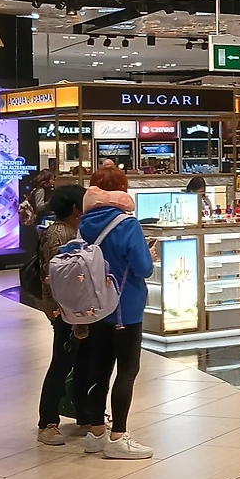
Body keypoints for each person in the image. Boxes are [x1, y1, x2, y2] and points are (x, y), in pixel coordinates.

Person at [75, 167, 154, 458]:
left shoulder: (85, 223)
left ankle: (96, 431)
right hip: (125, 308)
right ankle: (118, 435)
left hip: (95, 307)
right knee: (127, 370)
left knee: (100, 369)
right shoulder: (127, 224)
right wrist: (149, 255)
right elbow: (143, 268)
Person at [34, 185, 86, 446]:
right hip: (64, 310)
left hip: (74, 308)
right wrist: (59, 308)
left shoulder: (70, 231)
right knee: (62, 363)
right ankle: (48, 421)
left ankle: (83, 413)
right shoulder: (58, 234)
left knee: (78, 362)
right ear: (76, 208)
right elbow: (55, 275)